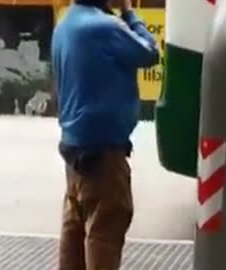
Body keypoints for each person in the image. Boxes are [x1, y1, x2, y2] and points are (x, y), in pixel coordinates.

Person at [50, 0, 159, 269]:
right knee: (105, 229)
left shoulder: (65, 24)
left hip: (73, 147)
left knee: (74, 229)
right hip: (103, 152)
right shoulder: (105, 27)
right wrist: (129, 11)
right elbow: (149, 53)